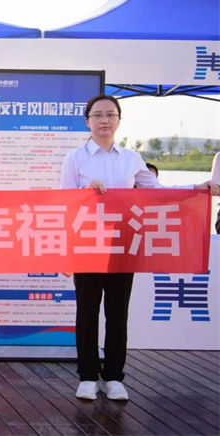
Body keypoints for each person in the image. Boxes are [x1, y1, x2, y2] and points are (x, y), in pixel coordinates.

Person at [60, 94, 219, 402]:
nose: (104, 120)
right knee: (87, 311)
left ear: (119, 120)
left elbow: (157, 192)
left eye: (110, 114)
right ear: (87, 121)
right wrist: (84, 191)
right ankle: (88, 376)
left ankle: (114, 377)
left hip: (123, 244)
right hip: (88, 245)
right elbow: (63, 201)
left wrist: (195, 188)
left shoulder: (131, 158)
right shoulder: (75, 158)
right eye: (98, 115)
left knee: (118, 312)